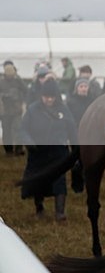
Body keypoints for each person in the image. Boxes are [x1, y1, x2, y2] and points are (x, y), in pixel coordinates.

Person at [19, 78, 78, 220]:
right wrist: (29, 142)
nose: (49, 100)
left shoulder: (64, 110)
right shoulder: (32, 109)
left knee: (59, 181)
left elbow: (72, 130)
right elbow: (23, 129)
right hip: (38, 152)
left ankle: (60, 213)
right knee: (38, 180)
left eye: (52, 97)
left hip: (59, 152)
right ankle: (39, 209)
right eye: (46, 97)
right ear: (41, 96)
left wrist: (76, 151)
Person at [0, 60, 28, 156]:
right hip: (5, 111)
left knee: (18, 129)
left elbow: (26, 90)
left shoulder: (18, 79)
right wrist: (4, 95)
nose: (10, 77)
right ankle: (8, 150)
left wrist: (19, 98)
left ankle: (18, 150)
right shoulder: (1, 81)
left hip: (16, 110)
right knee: (6, 131)